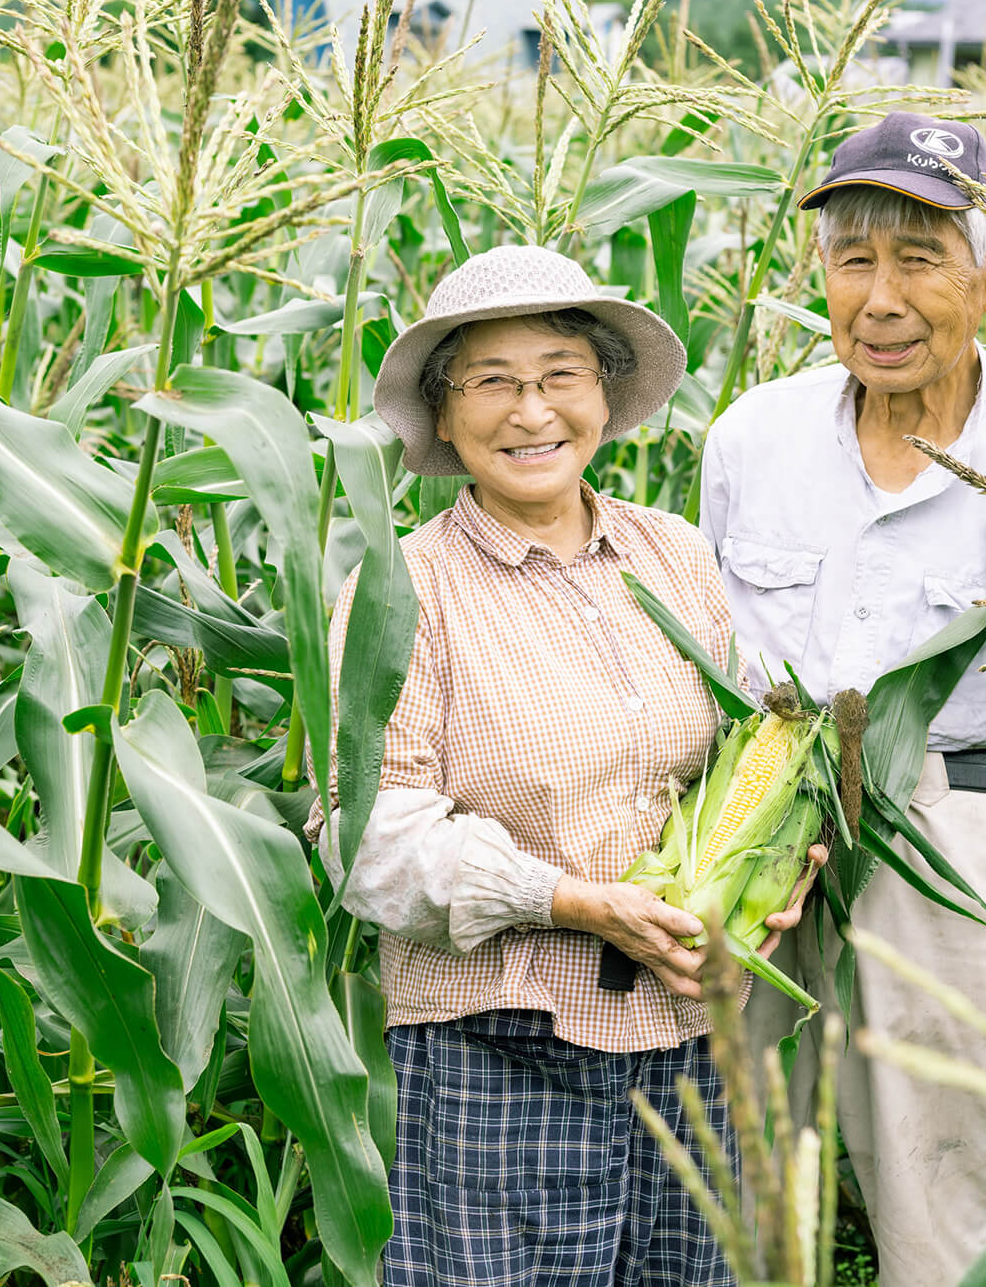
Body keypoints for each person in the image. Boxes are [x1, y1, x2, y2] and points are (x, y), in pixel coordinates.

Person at [705, 112, 986, 1285]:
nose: (879, 298)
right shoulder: (751, 437)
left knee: (944, 1216)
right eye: (852, 259)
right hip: (760, 848)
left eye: (918, 258)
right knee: (733, 1188)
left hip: (955, 855)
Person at [309, 244, 824, 1287]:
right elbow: (363, 840)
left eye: (559, 376)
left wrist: (775, 885)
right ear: (442, 420)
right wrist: (571, 900)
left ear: (604, 396)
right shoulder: (402, 591)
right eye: (491, 382)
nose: (530, 410)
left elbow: (743, 762)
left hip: (690, 1041)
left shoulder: (674, 557)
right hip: (497, 1049)